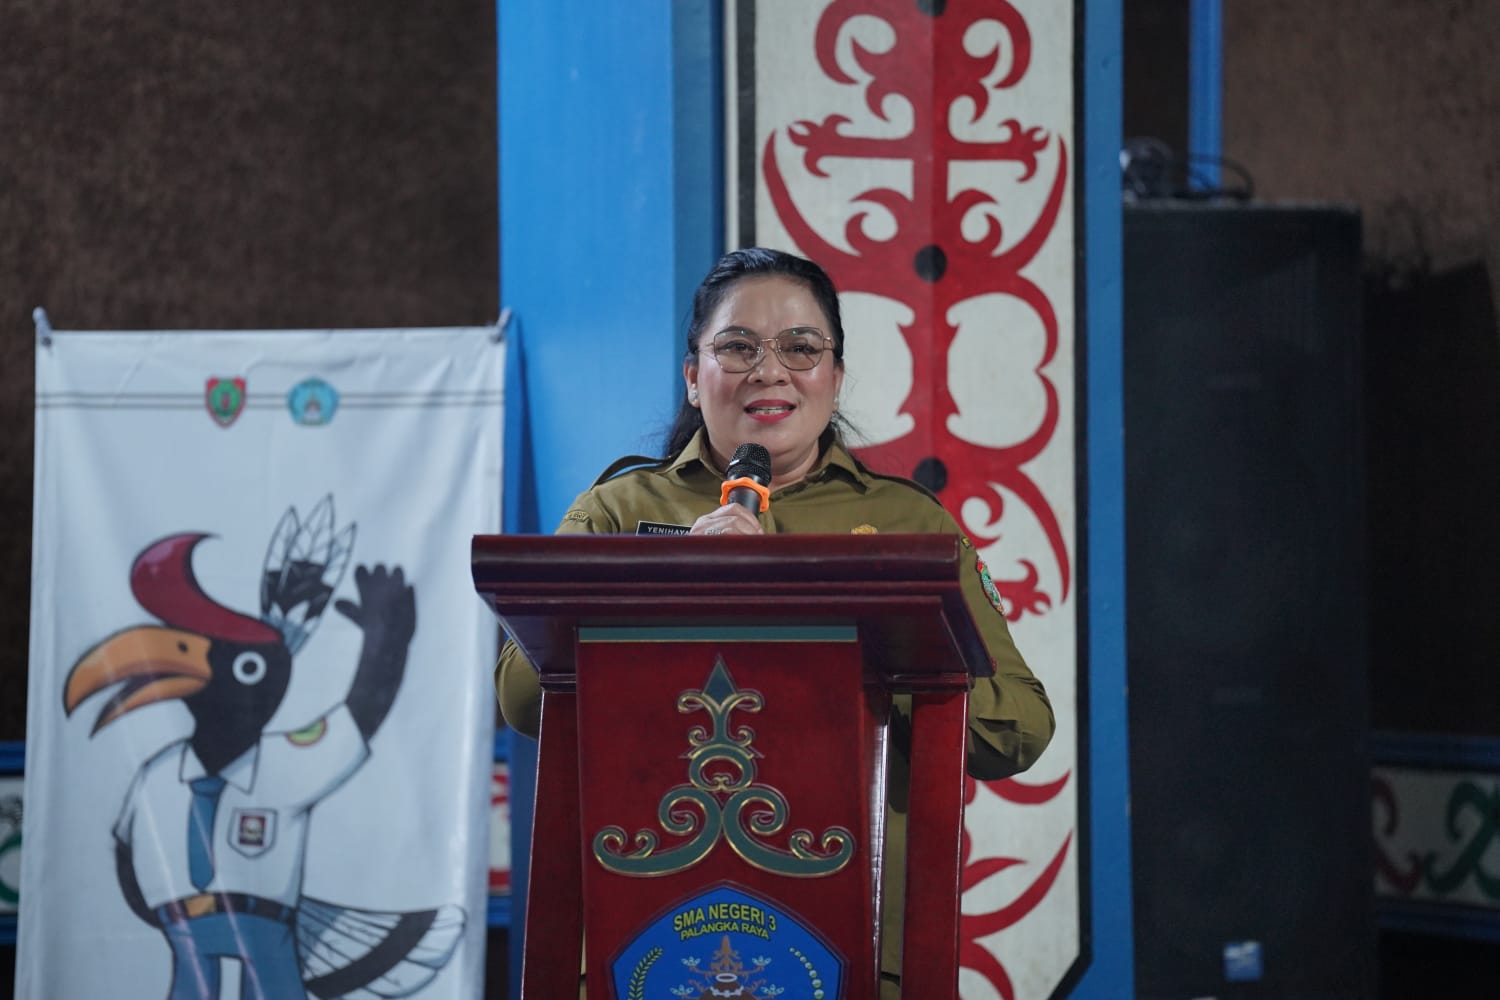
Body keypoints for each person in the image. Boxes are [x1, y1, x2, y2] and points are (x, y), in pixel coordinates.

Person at [495, 246, 1054, 997]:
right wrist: (669, 587)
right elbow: (523, 700)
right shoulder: (619, 513)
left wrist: (874, 627)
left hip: (855, 935)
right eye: (737, 347)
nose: (770, 371)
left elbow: (1016, 732)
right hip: (648, 930)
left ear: (835, 376)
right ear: (692, 376)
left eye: (801, 347)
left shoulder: (906, 525)